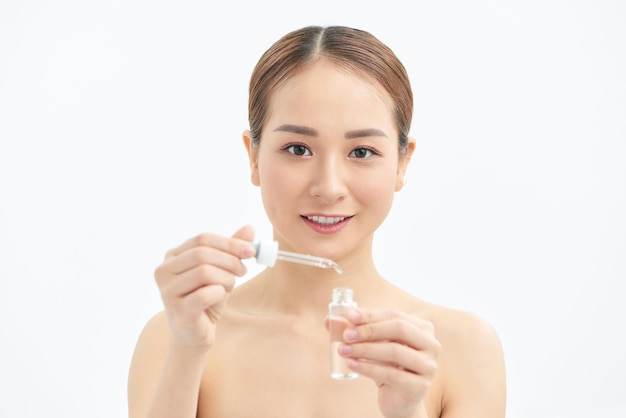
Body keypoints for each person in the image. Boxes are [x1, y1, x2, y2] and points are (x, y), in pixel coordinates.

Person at [127, 25, 506, 418]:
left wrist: (407, 411)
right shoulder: (175, 339)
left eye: (361, 151)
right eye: (298, 148)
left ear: (402, 162)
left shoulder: (461, 349)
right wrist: (188, 353)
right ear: (253, 156)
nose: (328, 187)